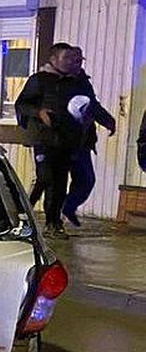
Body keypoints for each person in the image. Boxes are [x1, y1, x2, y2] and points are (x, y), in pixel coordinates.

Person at [15, 42, 86, 236]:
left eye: (73, 59)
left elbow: (86, 105)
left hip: (65, 139)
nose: (71, 62)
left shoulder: (75, 82)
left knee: (60, 182)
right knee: (46, 178)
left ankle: (53, 223)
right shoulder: (39, 80)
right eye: (67, 58)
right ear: (54, 60)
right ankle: (24, 213)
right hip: (43, 138)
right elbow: (21, 104)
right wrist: (39, 112)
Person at [60, 46, 115, 226]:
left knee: (86, 180)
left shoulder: (83, 81)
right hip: (58, 140)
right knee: (51, 181)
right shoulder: (54, 81)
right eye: (74, 60)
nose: (77, 64)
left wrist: (107, 120)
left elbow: (92, 105)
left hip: (81, 140)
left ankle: (67, 207)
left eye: (80, 60)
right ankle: (51, 220)